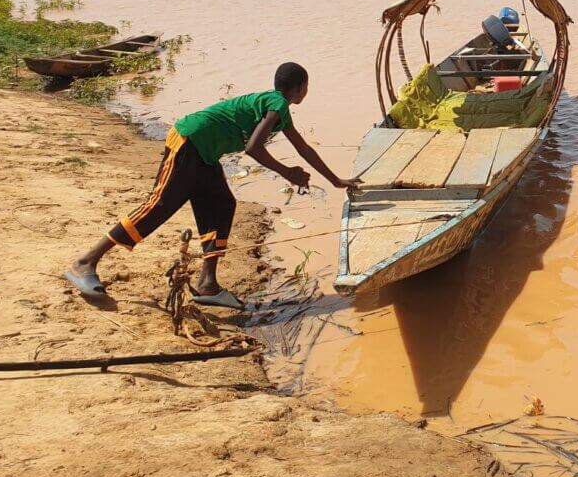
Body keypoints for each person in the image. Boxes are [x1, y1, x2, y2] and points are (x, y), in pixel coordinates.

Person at [65, 62, 358, 308]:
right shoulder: (277, 104)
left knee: (221, 205)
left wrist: (336, 181)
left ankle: (208, 284)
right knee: (159, 206)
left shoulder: (277, 107)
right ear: (301, 88)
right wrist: (287, 173)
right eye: (307, 87)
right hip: (189, 141)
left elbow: (304, 149)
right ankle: (86, 262)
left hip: (205, 153)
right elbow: (254, 148)